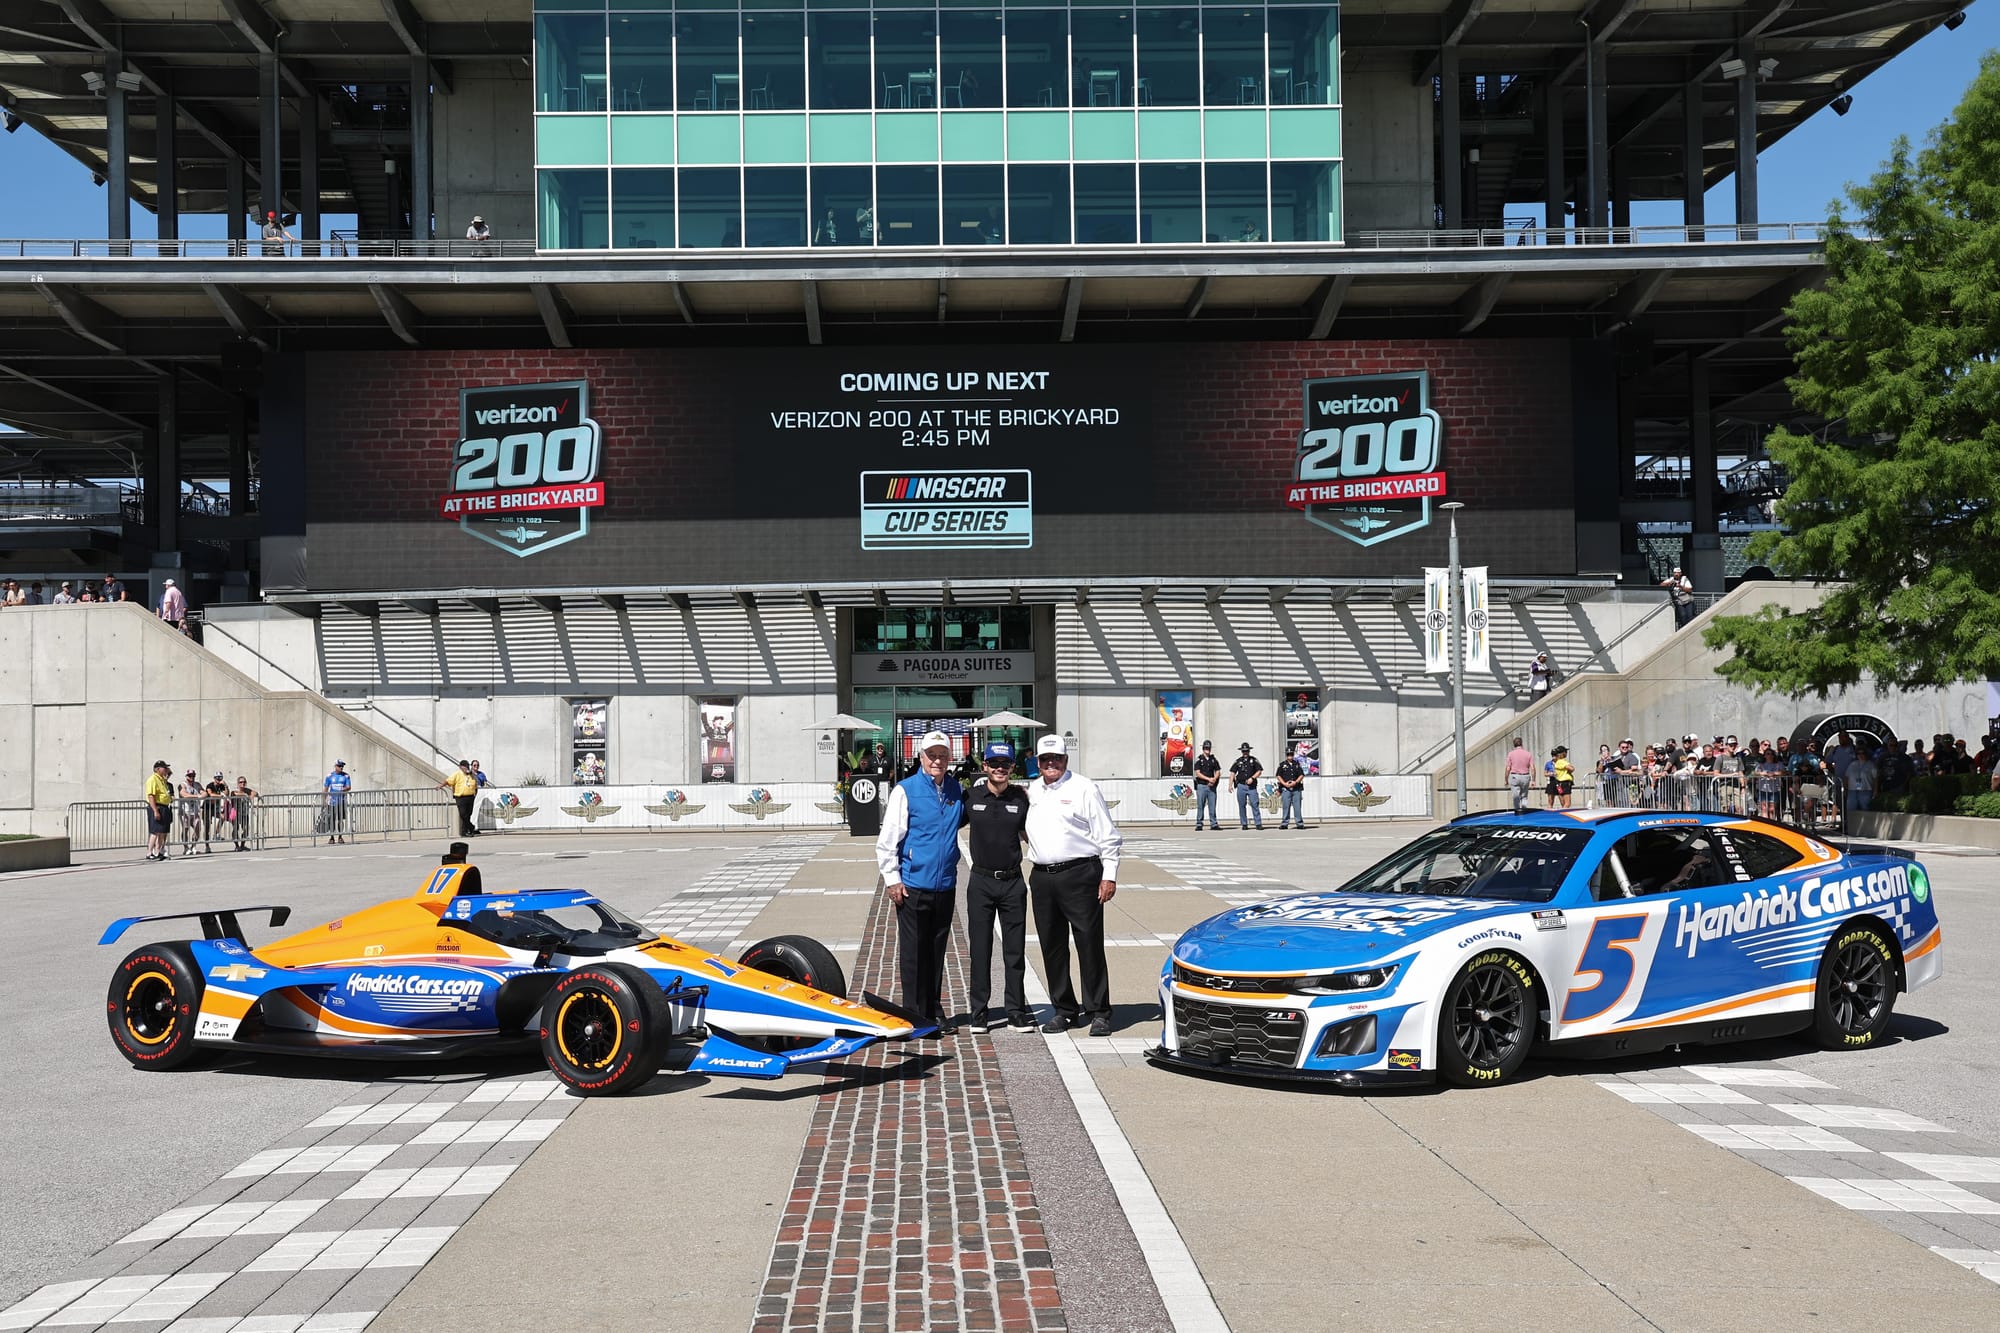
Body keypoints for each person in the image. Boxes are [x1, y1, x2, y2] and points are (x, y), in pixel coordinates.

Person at [1024, 734, 1122, 1037]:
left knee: (1088, 943)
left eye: (1057, 758)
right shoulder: (1032, 791)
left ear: (1066, 760)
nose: (1051, 763)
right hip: (1042, 876)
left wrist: (1110, 874)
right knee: (1051, 946)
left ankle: (1098, 1011)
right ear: (1037, 762)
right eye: (1045, 759)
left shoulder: (1084, 788)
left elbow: (1108, 835)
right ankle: (1064, 1009)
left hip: (1081, 874)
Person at [875, 731, 965, 1033]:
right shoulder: (906, 790)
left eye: (942, 755)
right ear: (921, 757)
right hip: (913, 885)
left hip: (944, 885)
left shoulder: (955, 790)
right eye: (931, 755)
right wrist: (892, 879)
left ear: (949, 758)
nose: (937, 760)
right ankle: (912, 1014)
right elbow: (888, 841)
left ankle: (933, 1009)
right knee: (914, 952)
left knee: (937, 951)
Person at [959, 741, 1034, 1033]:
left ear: (1012, 768)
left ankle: (1015, 1011)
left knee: (1014, 952)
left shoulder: (1021, 799)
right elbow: (945, 825)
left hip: (1013, 882)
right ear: (985, 766)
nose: (1000, 769)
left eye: (1005, 765)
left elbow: (1035, 834)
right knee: (980, 949)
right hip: (981, 882)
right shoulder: (971, 796)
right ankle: (979, 1011)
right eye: (994, 764)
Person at [1229, 742, 1265, 830]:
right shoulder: (1238, 761)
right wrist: (1230, 785)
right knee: (1242, 805)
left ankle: (1258, 823)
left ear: (1249, 751)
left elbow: (1259, 771)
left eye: (1246, 751)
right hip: (1241, 785)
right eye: (1244, 751)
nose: (1245, 753)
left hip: (1251, 786)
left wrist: (1252, 778)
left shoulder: (1253, 760)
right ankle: (1244, 824)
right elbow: (1232, 772)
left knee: (1254, 804)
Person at [143, 759, 173, 862]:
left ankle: (158, 851)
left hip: (164, 807)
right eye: (164, 768)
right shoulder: (153, 779)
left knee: (162, 831)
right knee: (155, 831)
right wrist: (155, 810)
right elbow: (151, 796)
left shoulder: (162, 779)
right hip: (157, 806)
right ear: (157, 769)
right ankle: (149, 852)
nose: (166, 770)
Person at [442, 759, 481, 837]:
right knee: (463, 814)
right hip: (460, 797)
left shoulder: (471, 775)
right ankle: (471, 827)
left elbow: (476, 784)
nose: (466, 768)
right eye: (464, 767)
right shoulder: (457, 774)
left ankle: (465, 831)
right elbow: (448, 781)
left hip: (470, 796)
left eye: (467, 766)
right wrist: (440, 785)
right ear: (460, 767)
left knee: (468, 814)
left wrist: (474, 793)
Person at [1190, 740, 1222, 830]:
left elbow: (1218, 771)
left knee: (1212, 805)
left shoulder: (1213, 759)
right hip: (1202, 785)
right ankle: (1199, 824)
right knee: (1200, 805)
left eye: (1208, 748)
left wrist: (1214, 779)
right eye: (1205, 748)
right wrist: (1208, 779)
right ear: (1203, 748)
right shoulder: (1199, 759)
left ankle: (1214, 824)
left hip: (1211, 785)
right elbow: (1197, 773)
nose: (1207, 750)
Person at [1274, 747, 1307, 829]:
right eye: (1288, 754)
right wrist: (1284, 784)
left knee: (1297, 807)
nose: (1290, 756)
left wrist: (1295, 782)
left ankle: (1299, 823)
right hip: (1286, 789)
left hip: (1296, 788)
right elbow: (1278, 776)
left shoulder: (1297, 764)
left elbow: (1301, 775)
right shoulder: (1282, 765)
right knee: (1286, 807)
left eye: (1291, 754)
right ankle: (1285, 823)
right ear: (1286, 755)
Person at [177, 768, 204, 857]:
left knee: (197, 828)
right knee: (185, 829)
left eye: (193, 775)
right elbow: (183, 794)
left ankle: (193, 846)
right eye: (190, 776)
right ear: (186, 776)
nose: (192, 777)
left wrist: (201, 795)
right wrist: (196, 796)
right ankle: (185, 847)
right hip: (185, 811)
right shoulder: (182, 784)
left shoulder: (197, 784)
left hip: (195, 811)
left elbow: (204, 793)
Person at [323, 758, 352, 843]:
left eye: (342, 766)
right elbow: (325, 788)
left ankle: (340, 836)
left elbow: (349, 787)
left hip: (341, 801)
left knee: (340, 820)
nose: (341, 767)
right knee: (331, 820)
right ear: (335, 766)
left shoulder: (346, 776)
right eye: (339, 766)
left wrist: (342, 789)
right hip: (332, 802)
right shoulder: (329, 776)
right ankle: (331, 837)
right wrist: (324, 800)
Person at [202, 772, 229, 853]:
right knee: (207, 828)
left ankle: (216, 834)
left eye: (220, 778)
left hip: (215, 807)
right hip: (207, 807)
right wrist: (221, 796)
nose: (219, 780)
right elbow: (210, 794)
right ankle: (207, 846)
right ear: (214, 778)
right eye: (217, 778)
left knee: (223, 817)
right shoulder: (210, 785)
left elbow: (227, 794)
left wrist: (226, 785)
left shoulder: (221, 785)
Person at [1505, 737, 1534, 814]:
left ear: (1514, 744)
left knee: (1516, 796)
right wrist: (1533, 780)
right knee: (1524, 796)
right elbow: (1533, 767)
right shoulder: (1528, 754)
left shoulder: (1511, 754)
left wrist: (1506, 779)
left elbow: (1508, 768)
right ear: (1522, 743)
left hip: (1515, 776)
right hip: (1525, 776)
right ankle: (1524, 811)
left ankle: (1517, 811)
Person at [230, 774, 259, 851]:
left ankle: (242, 845)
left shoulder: (246, 790)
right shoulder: (235, 790)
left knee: (246, 829)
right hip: (236, 813)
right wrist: (245, 795)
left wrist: (250, 795)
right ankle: (236, 845)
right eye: (241, 782)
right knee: (236, 829)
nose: (242, 783)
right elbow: (234, 794)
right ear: (238, 783)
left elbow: (255, 793)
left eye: (244, 782)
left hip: (244, 813)